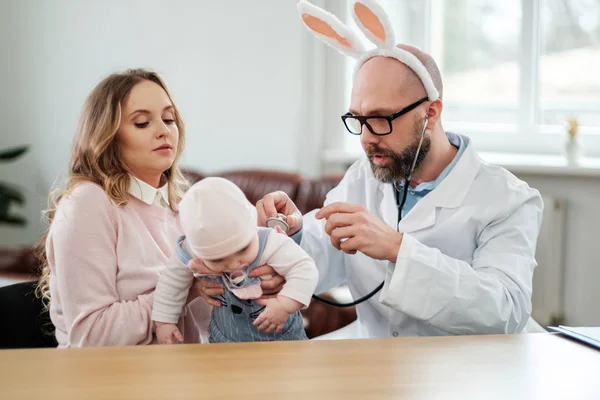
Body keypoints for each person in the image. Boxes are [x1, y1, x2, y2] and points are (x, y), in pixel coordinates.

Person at [255, 0, 544, 338]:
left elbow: (506, 309)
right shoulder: (364, 177)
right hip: (378, 364)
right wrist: (289, 239)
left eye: (380, 119)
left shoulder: (507, 199)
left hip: (469, 373)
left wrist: (397, 248)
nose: (365, 139)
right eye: (358, 120)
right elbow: (322, 256)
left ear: (431, 113)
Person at [33, 69, 281, 347]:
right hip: (108, 383)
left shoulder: (182, 207)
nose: (163, 130)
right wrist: (180, 290)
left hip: (181, 378)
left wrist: (257, 249)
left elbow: (209, 323)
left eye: (169, 119)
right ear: (108, 136)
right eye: (141, 123)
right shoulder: (88, 204)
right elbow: (91, 335)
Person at [151, 177, 318, 344]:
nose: (233, 264)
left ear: (253, 227)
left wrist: (285, 304)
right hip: (224, 339)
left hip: (282, 340)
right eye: (218, 259)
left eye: (243, 249)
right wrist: (164, 322)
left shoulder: (270, 241)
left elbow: (304, 268)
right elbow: (172, 280)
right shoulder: (191, 249)